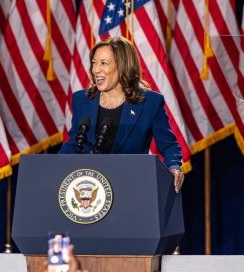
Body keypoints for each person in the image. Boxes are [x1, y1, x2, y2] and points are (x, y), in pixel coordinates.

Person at [59, 36, 184, 192]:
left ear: (123, 66)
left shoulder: (150, 103)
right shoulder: (82, 100)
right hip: (89, 188)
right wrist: (55, 168)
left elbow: (169, 145)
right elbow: (74, 144)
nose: (96, 69)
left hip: (131, 187)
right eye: (94, 63)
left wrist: (174, 167)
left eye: (103, 63)